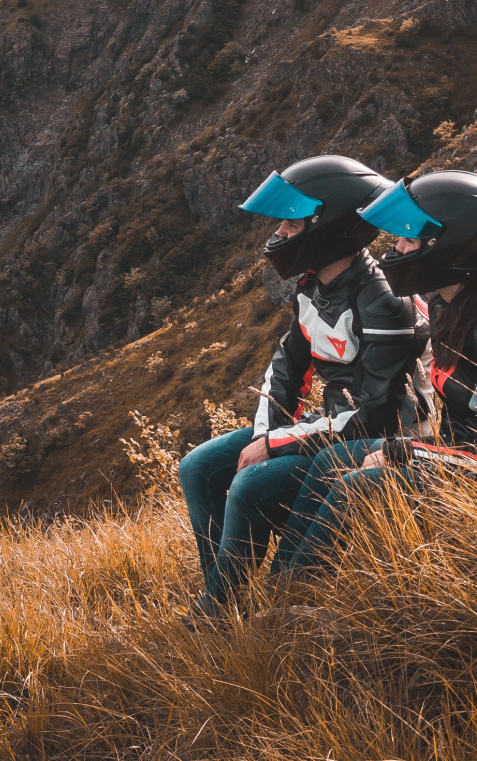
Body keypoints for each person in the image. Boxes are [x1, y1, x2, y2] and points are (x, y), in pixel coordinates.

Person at [270, 169, 477, 575]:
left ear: (451, 248)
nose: (395, 249)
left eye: (408, 239)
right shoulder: (454, 307)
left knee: (354, 485)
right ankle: (283, 580)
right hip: (465, 462)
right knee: (333, 459)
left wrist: (404, 451)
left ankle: (297, 588)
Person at [177, 156, 427, 622]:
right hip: (325, 427)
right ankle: (226, 597)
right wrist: (263, 433)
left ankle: (218, 611)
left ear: (330, 226)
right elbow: (286, 368)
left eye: (292, 225)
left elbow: (378, 415)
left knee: (250, 481)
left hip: (364, 438)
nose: (280, 235)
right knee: (197, 467)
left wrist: (277, 443)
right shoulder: (313, 286)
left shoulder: (384, 303)